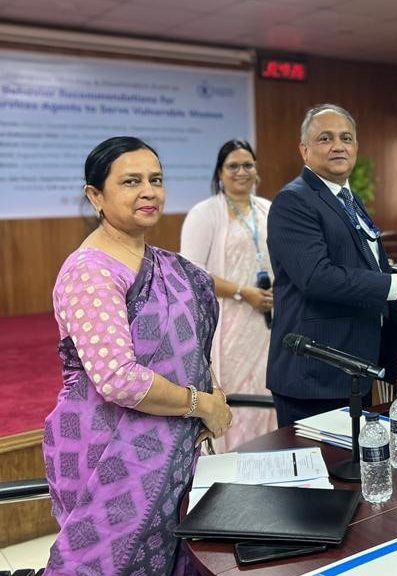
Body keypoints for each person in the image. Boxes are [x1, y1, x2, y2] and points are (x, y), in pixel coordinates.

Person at [43, 136, 231, 575]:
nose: (149, 191)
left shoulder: (166, 265)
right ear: (96, 196)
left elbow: (191, 347)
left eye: (156, 179)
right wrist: (202, 405)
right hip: (107, 455)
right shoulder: (90, 271)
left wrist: (211, 395)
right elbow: (118, 379)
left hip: (172, 447)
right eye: (131, 181)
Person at [266, 104, 397, 427]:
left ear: (356, 147)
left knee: (356, 472)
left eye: (346, 137)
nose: (338, 145)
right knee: (322, 474)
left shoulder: (347, 196)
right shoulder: (294, 200)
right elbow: (316, 276)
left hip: (354, 367)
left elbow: (359, 264)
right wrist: (396, 286)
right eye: (325, 138)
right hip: (316, 373)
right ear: (304, 150)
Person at [180, 139, 276, 451]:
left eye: (247, 164)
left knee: (266, 390)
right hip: (227, 320)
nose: (241, 171)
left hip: (266, 322)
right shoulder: (204, 213)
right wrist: (242, 292)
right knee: (235, 391)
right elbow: (191, 272)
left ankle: (267, 458)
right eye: (233, 166)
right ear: (220, 173)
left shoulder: (268, 209)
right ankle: (234, 464)